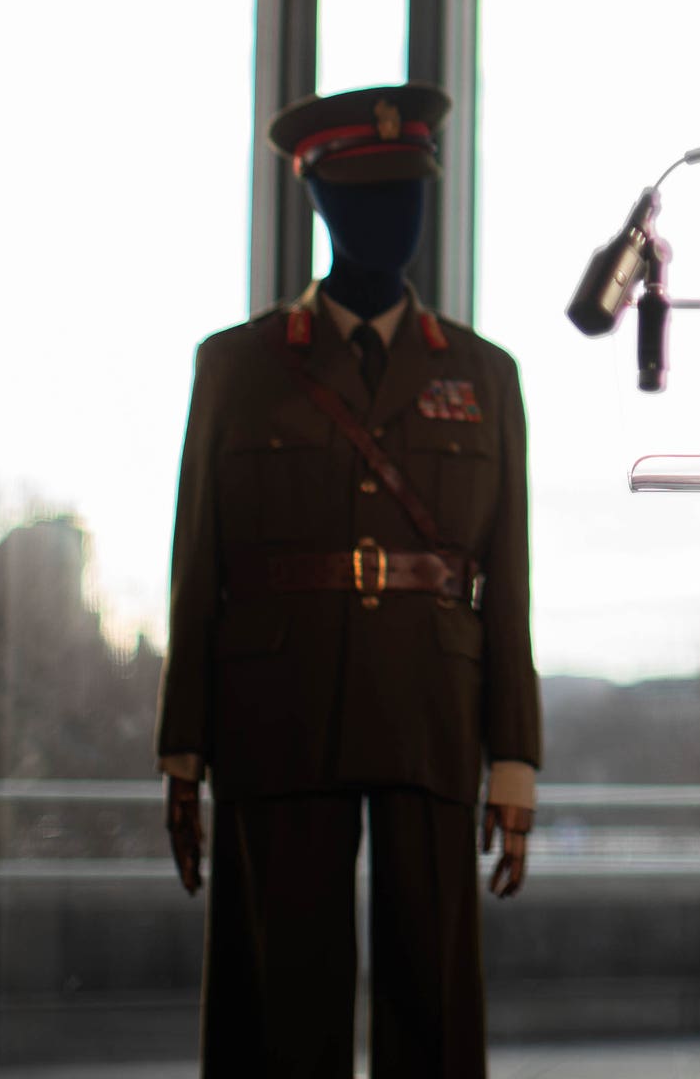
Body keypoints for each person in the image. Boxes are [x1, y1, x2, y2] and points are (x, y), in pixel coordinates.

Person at [155, 83, 543, 1079]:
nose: (395, 217)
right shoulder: (237, 367)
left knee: (436, 998)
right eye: (368, 195)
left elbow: (510, 577)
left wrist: (516, 755)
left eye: (409, 192)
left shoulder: (484, 373)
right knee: (279, 1002)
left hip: (431, 699)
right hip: (278, 703)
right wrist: (183, 745)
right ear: (320, 202)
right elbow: (198, 560)